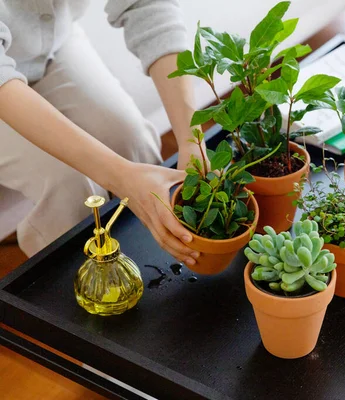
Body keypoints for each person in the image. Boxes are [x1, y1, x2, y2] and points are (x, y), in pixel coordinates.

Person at [0, 0, 205, 266]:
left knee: (134, 143)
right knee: (68, 185)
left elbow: (147, 4)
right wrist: (123, 178)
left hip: (50, 43)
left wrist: (192, 139)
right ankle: (84, 283)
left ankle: (150, 263)